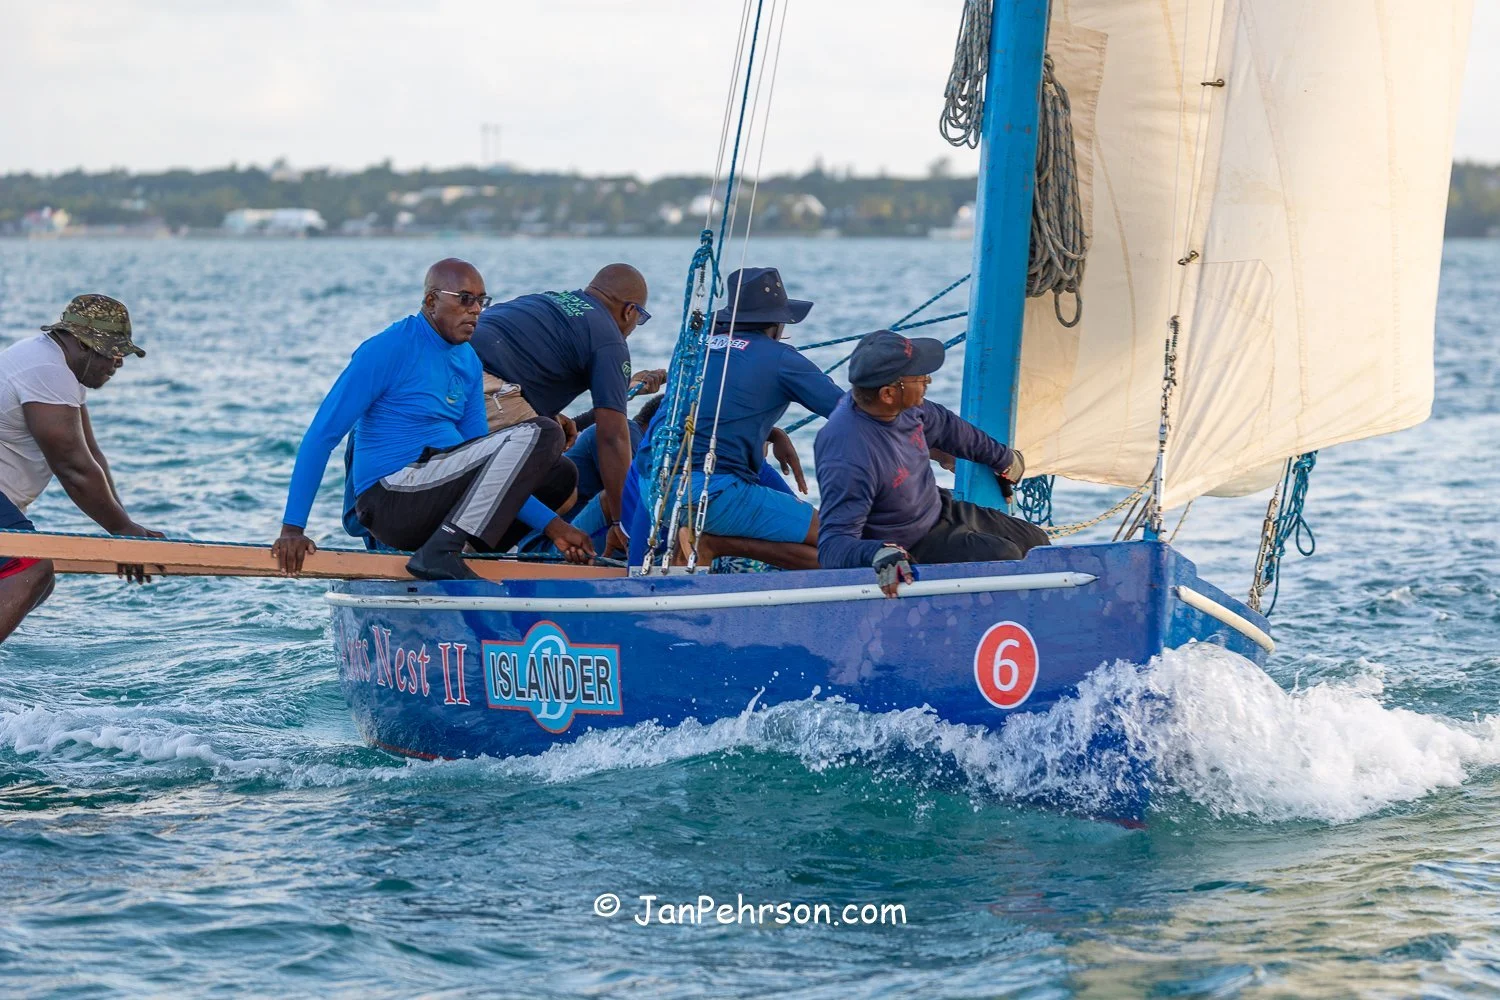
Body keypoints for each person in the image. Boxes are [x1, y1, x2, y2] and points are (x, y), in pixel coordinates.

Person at [272, 259, 593, 581]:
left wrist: (556, 529)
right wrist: (292, 528)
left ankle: (456, 557)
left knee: (559, 474)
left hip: (437, 500)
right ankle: (441, 552)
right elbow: (321, 437)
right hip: (390, 501)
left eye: (482, 301)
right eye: (465, 299)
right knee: (545, 433)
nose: (476, 310)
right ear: (431, 301)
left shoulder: (467, 360)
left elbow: (494, 469)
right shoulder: (388, 348)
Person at [627, 267, 843, 571]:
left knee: (818, 550)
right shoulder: (781, 358)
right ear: (777, 325)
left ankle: (704, 547)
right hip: (712, 494)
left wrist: (773, 433)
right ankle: (716, 545)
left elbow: (710, 411)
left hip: (654, 491)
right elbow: (852, 413)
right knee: (838, 540)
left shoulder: (690, 350)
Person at [814, 329, 1047, 596]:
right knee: (1004, 557)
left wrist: (1004, 460)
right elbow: (832, 547)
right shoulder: (848, 456)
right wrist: (877, 552)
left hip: (939, 509)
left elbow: (950, 428)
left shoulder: (909, 407)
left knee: (1037, 544)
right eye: (920, 377)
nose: (928, 380)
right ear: (889, 393)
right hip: (910, 545)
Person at [0, 294, 162, 642]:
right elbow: (73, 469)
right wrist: (121, 530)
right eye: (110, 352)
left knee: (37, 582)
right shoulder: (46, 370)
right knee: (31, 569)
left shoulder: (55, 368)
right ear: (78, 343)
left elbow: (91, 457)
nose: (117, 363)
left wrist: (124, 528)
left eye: (122, 354)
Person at [470, 264, 650, 557]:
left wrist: (548, 415)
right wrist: (622, 523)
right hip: (488, 391)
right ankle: (476, 553)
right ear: (630, 311)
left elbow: (515, 358)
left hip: (447, 371)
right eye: (640, 319)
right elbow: (612, 437)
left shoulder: (546, 300)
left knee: (550, 435)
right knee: (561, 483)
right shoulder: (609, 339)